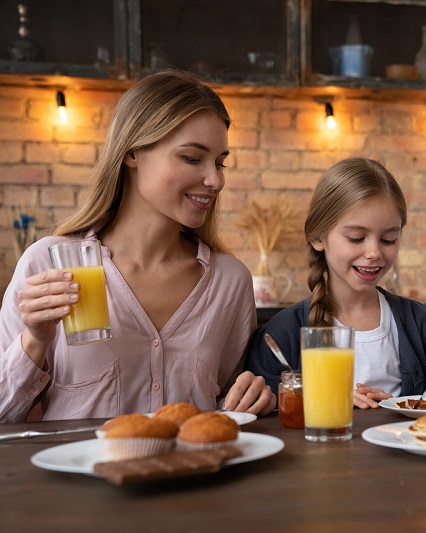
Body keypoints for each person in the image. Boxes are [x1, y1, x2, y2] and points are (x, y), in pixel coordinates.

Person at [0, 70, 275, 423]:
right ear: (132, 152)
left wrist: (253, 399)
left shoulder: (229, 281)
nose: (215, 179)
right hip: (81, 475)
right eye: (193, 158)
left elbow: (226, 408)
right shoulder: (48, 264)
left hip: (193, 476)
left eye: (220, 163)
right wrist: (35, 340)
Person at [245, 157, 426, 408]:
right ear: (318, 237)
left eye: (389, 240)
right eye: (356, 238)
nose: (374, 252)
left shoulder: (424, 325)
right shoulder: (281, 334)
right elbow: (261, 411)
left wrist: (398, 406)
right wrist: (322, 400)